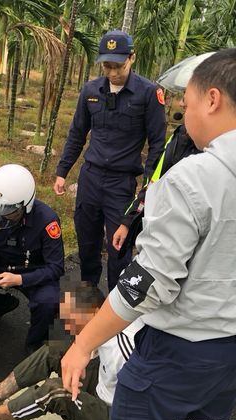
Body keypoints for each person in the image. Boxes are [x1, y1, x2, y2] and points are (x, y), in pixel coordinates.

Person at [61, 49, 236, 420]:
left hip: (177, 355)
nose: (184, 116)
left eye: (186, 105)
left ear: (213, 99)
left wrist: (83, 344)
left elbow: (147, 283)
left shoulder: (191, 179)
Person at [0, 282, 144, 420]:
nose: (66, 326)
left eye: (72, 320)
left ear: (95, 312)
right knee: (58, 347)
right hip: (110, 392)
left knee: (55, 391)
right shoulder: (113, 320)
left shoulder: (122, 350)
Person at [53, 30, 166, 292]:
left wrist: (149, 189)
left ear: (132, 58)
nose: (113, 73)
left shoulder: (149, 94)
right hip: (90, 178)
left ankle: (117, 306)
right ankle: (89, 294)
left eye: (118, 66)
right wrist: (63, 171)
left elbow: (157, 146)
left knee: (119, 248)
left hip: (122, 183)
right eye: (107, 66)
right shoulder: (92, 90)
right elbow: (77, 134)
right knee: (88, 242)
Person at [0, 164, 64, 354]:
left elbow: (56, 267)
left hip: (33, 272)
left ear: (26, 205)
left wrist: (20, 279)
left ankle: (34, 348)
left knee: (48, 303)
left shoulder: (47, 220)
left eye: (8, 210)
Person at [113, 113, 201, 256]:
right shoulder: (180, 135)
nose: (181, 103)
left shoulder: (216, 154)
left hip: (184, 247)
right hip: (159, 239)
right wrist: (129, 221)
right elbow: (153, 185)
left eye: (187, 98)